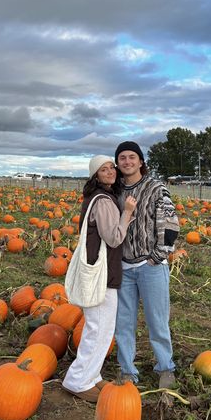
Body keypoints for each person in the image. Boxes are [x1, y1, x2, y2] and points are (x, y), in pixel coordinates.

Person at [62, 155, 137, 403]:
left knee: (102, 329)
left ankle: (91, 376)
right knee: (99, 329)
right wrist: (127, 214)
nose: (110, 172)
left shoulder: (94, 197)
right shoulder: (103, 201)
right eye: (103, 170)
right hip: (101, 274)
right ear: (95, 175)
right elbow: (114, 238)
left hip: (100, 272)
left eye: (110, 168)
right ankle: (77, 380)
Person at [114, 141, 179, 389]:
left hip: (151, 266)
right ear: (118, 163)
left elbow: (170, 222)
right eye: (122, 158)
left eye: (132, 157)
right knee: (123, 322)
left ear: (141, 161)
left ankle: (165, 367)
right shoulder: (116, 191)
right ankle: (128, 371)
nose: (127, 162)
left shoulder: (155, 188)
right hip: (123, 267)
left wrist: (158, 255)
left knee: (157, 321)